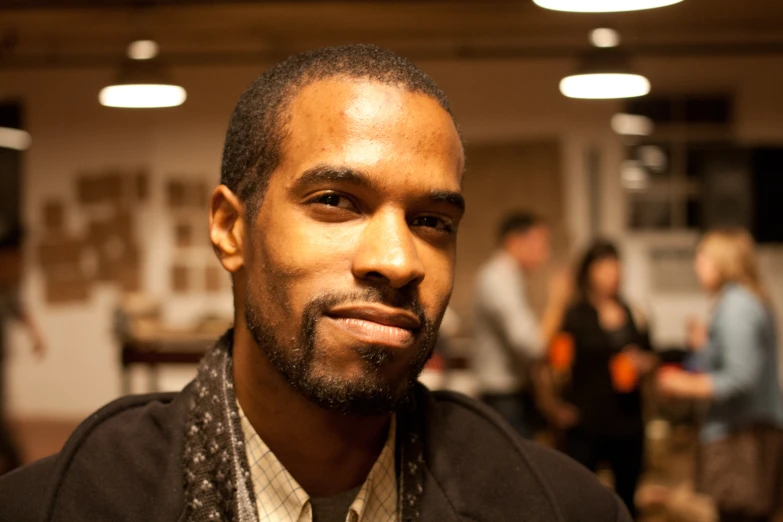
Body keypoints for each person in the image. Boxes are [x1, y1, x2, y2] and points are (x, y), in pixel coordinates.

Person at [0, 45, 631, 522]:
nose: (398, 259)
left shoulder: (560, 508)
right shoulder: (60, 505)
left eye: (432, 221)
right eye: (336, 201)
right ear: (229, 228)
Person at [658, 228, 783, 522]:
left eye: (703, 258)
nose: (697, 265)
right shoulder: (745, 300)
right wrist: (705, 346)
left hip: (742, 436)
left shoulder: (736, 306)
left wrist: (683, 384)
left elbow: (740, 378)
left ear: (722, 262)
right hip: (751, 430)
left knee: (739, 514)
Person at [549, 240, 657, 519]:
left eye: (616, 266)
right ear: (590, 272)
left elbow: (650, 354)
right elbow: (556, 364)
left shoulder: (634, 312)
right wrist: (554, 406)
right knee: (580, 500)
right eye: (605, 266)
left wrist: (644, 363)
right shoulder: (576, 315)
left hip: (628, 421)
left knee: (627, 501)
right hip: (586, 422)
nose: (613, 273)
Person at [472, 212, 570, 438]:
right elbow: (532, 345)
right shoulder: (497, 278)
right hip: (503, 397)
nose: (544, 254)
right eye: (540, 243)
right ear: (514, 241)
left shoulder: (509, 277)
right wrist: (557, 300)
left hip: (512, 395)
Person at [0, 230, 45, 476]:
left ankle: (14, 461)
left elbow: (18, 308)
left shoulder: (6, 286)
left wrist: (35, 334)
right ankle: (15, 461)